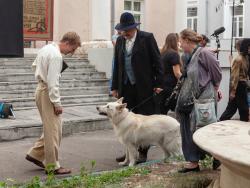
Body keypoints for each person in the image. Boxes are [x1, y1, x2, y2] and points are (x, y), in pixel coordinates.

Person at [25, 32, 81, 174]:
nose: (71, 53)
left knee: (52, 128)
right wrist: (57, 103)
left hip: (40, 89)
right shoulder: (56, 56)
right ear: (68, 43)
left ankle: (35, 154)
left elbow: (34, 66)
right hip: (47, 93)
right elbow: (53, 83)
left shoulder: (47, 48)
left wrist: (42, 77)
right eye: (73, 49)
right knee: (54, 132)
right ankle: (52, 166)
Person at [111, 12, 164, 164]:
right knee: (126, 121)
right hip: (126, 86)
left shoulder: (147, 38)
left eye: (127, 30)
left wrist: (159, 84)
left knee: (143, 121)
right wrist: (115, 86)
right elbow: (118, 65)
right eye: (123, 30)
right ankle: (129, 153)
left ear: (134, 28)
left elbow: (157, 61)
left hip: (144, 86)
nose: (125, 33)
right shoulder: (120, 41)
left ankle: (142, 152)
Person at [176, 29, 222, 173]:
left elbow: (217, 73)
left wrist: (215, 88)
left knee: (205, 128)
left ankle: (218, 157)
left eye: (181, 41)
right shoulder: (187, 56)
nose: (180, 44)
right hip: (191, 97)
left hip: (204, 98)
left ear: (187, 41)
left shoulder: (204, 53)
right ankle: (193, 161)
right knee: (186, 124)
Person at [220, 39, 249, 122]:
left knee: (232, 108)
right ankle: (223, 121)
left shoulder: (243, 58)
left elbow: (236, 73)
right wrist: (233, 91)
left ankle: (222, 120)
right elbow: (235, 77)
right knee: (242, 109)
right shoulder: (239, 59)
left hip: (241, 85)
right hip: (239, 86)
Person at [159, 33, 182, 114]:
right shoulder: (174, 54)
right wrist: (186, 82)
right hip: (171, 87)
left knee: (162, 112)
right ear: (175, 42)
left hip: (162, 86)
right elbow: (177, 73)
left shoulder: (162, 53)